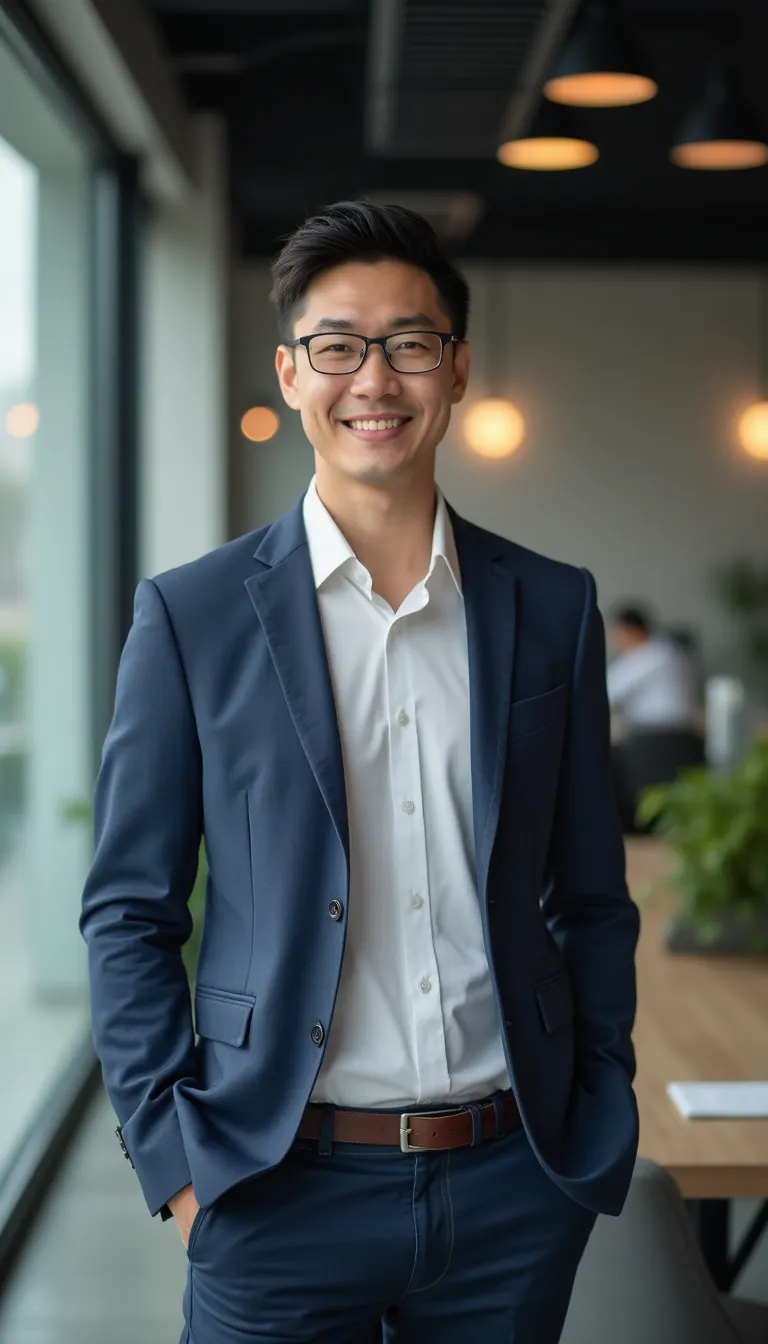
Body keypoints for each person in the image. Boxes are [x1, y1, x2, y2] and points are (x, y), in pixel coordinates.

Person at [80, 201, 640, 1344]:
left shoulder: (553, 607)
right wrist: (178, 1166)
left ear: (459, 367)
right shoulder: (190, 618)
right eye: (337, 345)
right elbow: (127, 913)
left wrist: (596, 1106)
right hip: (275, 1187)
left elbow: (589, 895)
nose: (373, 378)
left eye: (410, 342)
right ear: (290, 373)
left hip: (510, 1185)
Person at [607, 604, 704, 831]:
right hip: (685, 739)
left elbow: (605, 691)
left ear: (630, 630)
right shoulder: (671, 652)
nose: (615, 641)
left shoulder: (648, 656)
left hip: (655, 742)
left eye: (616, 634)